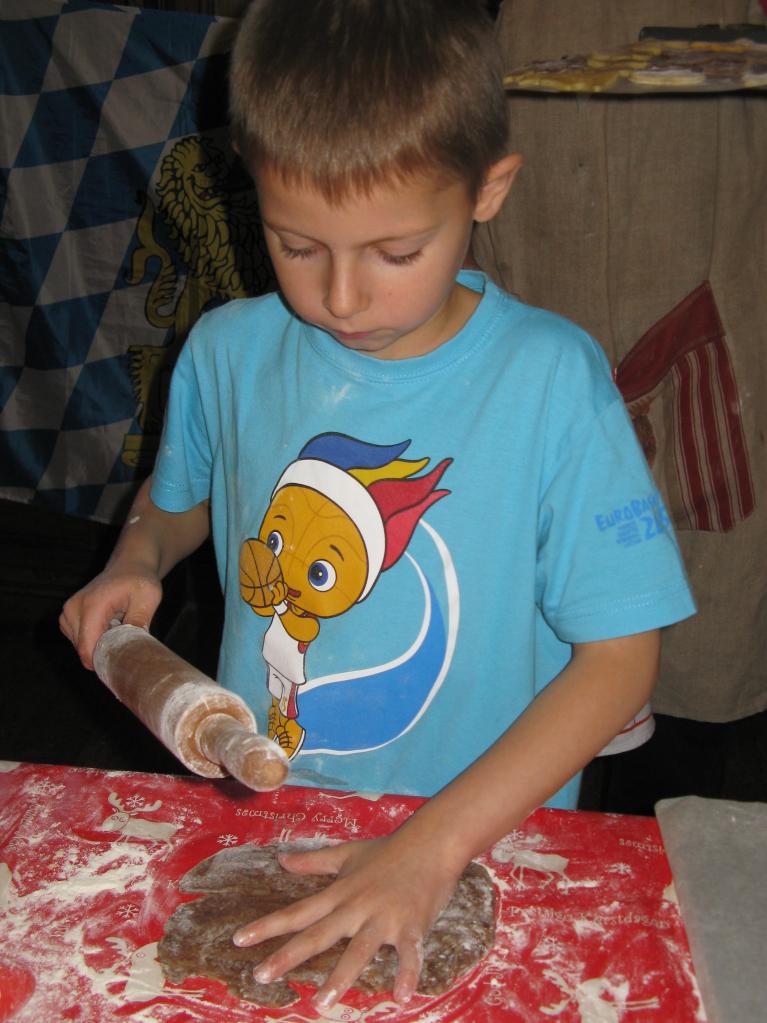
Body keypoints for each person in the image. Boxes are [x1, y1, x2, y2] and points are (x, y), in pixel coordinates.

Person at [60, 0, 696, 1011]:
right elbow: (180, 498)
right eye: (295, 245)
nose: (341, 298)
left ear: (487, 189)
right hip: (266, 811)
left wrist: (426, 849)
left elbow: (620, 661)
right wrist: (138, 555)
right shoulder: (228, 351)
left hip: (476, 838)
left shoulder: (545, 382)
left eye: (392, 253)